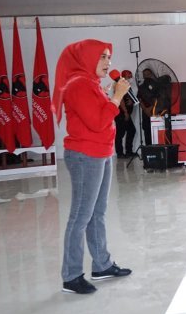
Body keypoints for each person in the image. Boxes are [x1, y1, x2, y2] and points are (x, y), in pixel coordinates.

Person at [52, 39, 133, 295]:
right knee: (80, 215)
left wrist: (110, 96)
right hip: (86, 155)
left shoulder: (91, 83)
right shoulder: (78, 85)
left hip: (101, 152)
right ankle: (71, 275)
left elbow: (100, 116)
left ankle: (102, 264)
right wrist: (117, 97)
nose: (108, 62)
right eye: (102, 57)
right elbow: (98, 122)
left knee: (97, 212)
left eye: (109, 57)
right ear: (86, 58)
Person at [114, 69, 136, 158]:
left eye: (131, 77)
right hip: (121, 114)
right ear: (124, 77)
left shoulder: (127, 86)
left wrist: (131, 101)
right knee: (120, 133)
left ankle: (129, 151)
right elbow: (121, 100)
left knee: (131, 130)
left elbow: (128, 97)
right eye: (129, 77)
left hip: (126, 113)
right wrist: (126, 112)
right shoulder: (119, 85)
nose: (131, 78)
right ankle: (120, 153)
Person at [137, 67, 159, 145]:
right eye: (144, 75)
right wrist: (145, 110)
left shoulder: (157, 85)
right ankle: (148, 149)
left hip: (156, 111)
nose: (146, 76)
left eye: (148, 74)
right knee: (147, 131)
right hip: (145, 113)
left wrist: (150, 108)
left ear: (151, 74)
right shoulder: (141, 87)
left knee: (157, 130)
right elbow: (139, 99)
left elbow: (159, 98)